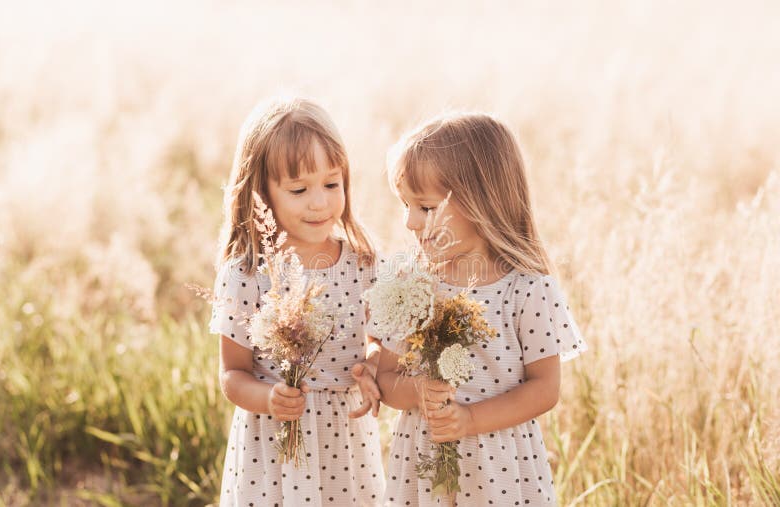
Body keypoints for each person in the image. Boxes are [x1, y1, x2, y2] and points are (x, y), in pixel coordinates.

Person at [377, 112, 588, 506]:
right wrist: (417, 392)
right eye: (405, 205)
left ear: (480, 202)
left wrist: (470, 420)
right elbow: (386, 378)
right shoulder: (412, 283)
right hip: (424, 462)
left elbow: (545, 387)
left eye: (424, 208)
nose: (409, 222)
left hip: (501, 468)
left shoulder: (527, 288)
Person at [209, 97, 385, 506]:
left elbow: (378, 339)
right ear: (262, 192)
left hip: (345, 444)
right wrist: (269, 399)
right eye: (299, 189)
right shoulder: (248, 273)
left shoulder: (362, 263)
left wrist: (372, 366)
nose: (319, 202)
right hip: (272, 447)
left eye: (331, 184)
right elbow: (232, 375)